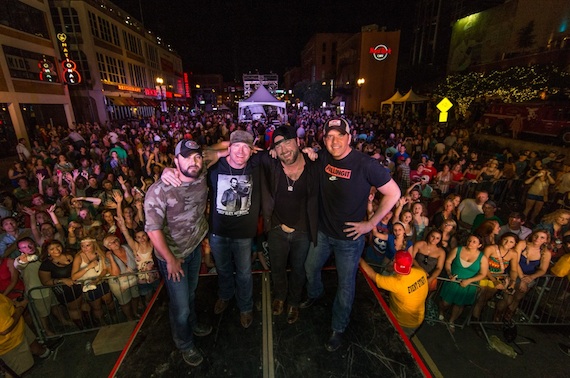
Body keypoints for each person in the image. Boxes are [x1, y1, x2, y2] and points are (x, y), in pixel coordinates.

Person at [302, 118, 400, 352]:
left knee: (345, 286)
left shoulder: (366, 164)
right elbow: (307, 158)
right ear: (324, 139)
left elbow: (394, 193)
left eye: (339, 136)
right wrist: (308, 151)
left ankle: (338, 327)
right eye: (329, 137)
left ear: (349, 137)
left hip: (350, 240)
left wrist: (370, 224)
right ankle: (316, 294)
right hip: (324, 233)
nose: (334, 141)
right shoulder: (323, 156)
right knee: (310, 267)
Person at [145, 139, 212, 367]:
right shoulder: (159, 190)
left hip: (193, 248)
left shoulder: (201, 172)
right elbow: (153, 230)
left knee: (191, 293)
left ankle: (192, 324)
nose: (193, 162)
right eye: (187, 157)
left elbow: (219, 151)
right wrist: (171, 260)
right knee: (180, 306)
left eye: (197, 156)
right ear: (175, 161)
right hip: (173, 257)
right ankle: (184, 343)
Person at [260, 126, 319, 324]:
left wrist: (315, 151)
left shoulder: (313, 165)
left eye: (287, 141)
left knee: (298, 269)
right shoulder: (272, 164)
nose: (284, 149)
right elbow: (243, 155)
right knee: (276, 267)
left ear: (298, 141)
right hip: (277, 228)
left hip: (303, 230)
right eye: (278, 145)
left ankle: (293, 301)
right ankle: (280, 297)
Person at [359, 251, 428, 336]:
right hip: (419, 317)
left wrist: (359, 258)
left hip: (403, 323)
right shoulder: (420, 272)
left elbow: (373, 276)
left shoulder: (396, 283)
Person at [495, 230, 552, 322]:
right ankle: (496, 316)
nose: (537, 239)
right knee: (508, 298)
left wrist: (530, 278)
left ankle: (507, 317)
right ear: (532, 235)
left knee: (517, 298)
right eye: (536, 236)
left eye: (542, 237)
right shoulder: (523, 244)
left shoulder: (545, 253)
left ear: (546, 240)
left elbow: (543, 270)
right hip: (513, 273)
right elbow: (515, 262)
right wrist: (522, 278)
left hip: (528, 277)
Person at [0, 293, 62, 376]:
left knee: (34, 346)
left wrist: (13, 303)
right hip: (12, 343)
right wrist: (21, 307)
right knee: (19, 372)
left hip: (19, 328)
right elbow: (5, 329)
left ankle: (46, 353)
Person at [438, 234, 489, 331]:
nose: (470, 243)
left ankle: (451, 321)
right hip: (453, 280)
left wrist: (469, 280)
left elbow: (483, 274)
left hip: (468, 285)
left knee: (459, 304)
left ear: (479, 245)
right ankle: (441, 311)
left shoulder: (482, 258)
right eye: (469, 240)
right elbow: (448, 262)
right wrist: (449, 273)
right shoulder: (457, 250)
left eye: (474, 242)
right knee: (445, 303)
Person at [471, 233, 520, 325]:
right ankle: (475, 320)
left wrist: (512, 282)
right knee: (482, 298)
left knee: (488, 298)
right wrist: (494, 281)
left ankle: (482, 316)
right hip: (484, 275)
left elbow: (514, 270)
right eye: (506, 239)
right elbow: (483, 266)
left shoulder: (513, 254)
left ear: (515, 244)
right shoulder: (490, 249)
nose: (507, 243)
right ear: (501, 239)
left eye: (511, 242)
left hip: (498, 277)